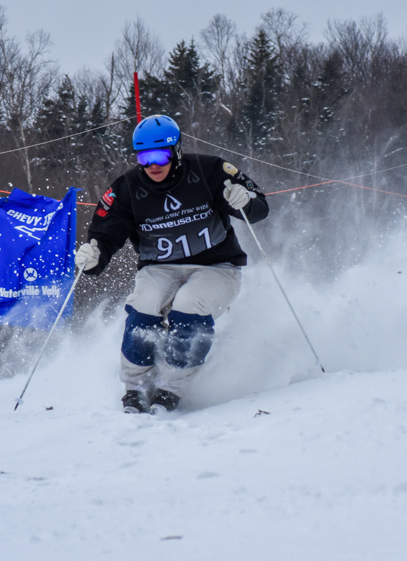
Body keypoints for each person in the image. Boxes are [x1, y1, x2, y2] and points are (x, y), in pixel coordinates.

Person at [75, 114, 269, 414]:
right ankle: (136, 386)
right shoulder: (126, 188)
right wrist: (93, 258)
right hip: (159, 268)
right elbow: (105, 234)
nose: (153, 165)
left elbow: (258, 209)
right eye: (144, 156)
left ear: (176, 150)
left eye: (161, 154)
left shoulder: (211, 170)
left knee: (189, 307)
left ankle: (172, 387)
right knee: (144, 306)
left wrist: (245, 202)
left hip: (216, 266)